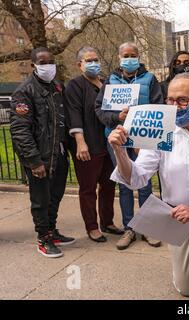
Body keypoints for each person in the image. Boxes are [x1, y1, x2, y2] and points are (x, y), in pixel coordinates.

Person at [108, 72, 189, 299]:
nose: (174, 105)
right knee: (187, 288)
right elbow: (137, 178)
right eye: (170, 99)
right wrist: (120, 151)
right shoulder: (161, 129)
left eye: (182, 100)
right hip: (178, 211)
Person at [95, 42, 164, 250]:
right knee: (124, 184)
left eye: (133, 55)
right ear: (119, 57)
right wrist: (118, 116)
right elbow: (99, 110)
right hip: (119, 139)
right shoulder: (110, 81)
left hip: (143, 138)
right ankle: (129, 228)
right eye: (126, 55)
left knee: (144, 183)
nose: (130, 58)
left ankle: (147, 228)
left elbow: (158, 107)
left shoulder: (150, 79)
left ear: (139, 56)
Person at [10, 47, 75, 258]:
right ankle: (43, 238)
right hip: (40, 157)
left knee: (55, 196)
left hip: (58, 153)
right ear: (33, 65)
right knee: (40, 199)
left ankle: (52, 230)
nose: (48, 66)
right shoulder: (24, 91)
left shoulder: (57, 86)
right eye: (43, 62)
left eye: (51, 62)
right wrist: (34, 161)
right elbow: (20, 130)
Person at [64, 47, 117, 243]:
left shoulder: (106, 83)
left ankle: (108, 222)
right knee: (88, 188)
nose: (94, 63)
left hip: (109, 144)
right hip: (88, 145)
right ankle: (92, 226)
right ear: (80, 65)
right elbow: (74, 114)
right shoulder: (75, 86)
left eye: (96, 59)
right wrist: (80, 142)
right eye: (89, 60)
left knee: (109, 184)